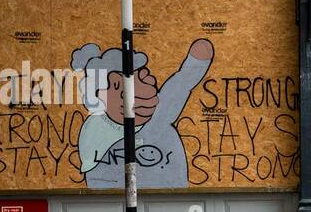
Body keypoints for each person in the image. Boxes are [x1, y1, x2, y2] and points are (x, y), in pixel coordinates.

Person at [73, 37, 214, 189]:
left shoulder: (157, 116)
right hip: (116, 202)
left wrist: (195, 63)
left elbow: (179, 86)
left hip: (169, 199)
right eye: (117, 85)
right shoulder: (95, 132)